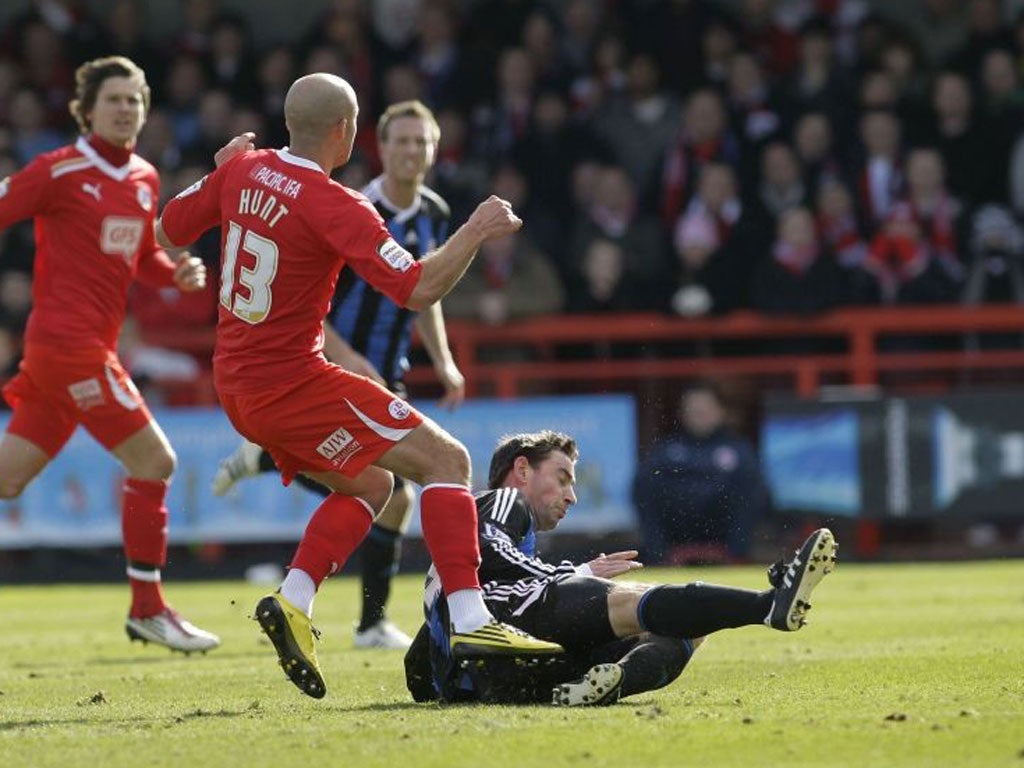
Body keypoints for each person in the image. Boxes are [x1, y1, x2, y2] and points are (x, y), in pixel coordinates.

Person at [155, 72, 562, 700]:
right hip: (294, 381)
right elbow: (419, 288)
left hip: (236, 382)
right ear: (346, 133)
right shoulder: (338, 204)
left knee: (374, 484)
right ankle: (474, 618)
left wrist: (216, 169)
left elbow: (167, 229)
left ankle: (293, 602)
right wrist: (477, 229)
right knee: (447, 460)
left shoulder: (242, 169)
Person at [210, 100, 465, 651]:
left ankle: (316, 601)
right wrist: (347, 361)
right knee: (411, 482)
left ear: (434, 149)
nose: (412, 151)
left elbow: (427, 295)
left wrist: (442, 359)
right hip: (335, 367)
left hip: (382, 367)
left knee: (387, 489)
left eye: (422, 142)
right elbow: (311, 301)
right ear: (375, 144)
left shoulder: (432, 213)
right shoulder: (351, 206)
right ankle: (414, 619)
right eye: (401, 140)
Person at [0, 56, 219, 653]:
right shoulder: (58, 169)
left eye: (135, 100)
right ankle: (148, 610)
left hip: (72, 355)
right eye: (114, 99)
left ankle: (149, 611)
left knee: (8, 480)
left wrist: (175, 273)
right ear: (87, 109)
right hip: (68, 349)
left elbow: (139, 254)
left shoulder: (145, 177)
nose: (126, 109)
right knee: (156, 462)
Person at [405, 430, 837, 706]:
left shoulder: (464, 571)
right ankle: (769, 605)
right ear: (521, 469)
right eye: (563, 477)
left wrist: (441, 683)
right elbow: (489, 548)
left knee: (687, 626)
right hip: (510, 633)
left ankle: (613, 683)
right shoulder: (498, 500)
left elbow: (417, 669)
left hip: (506, 682)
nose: (571, 495)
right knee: (641, 601)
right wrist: (571, 577)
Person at [633, 382, 768, 564]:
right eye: (693, 410)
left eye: (705, 409)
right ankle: (658, 557)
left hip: (723, 533)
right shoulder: (666, 451)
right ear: (682, 414)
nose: (699, 415)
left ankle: (737, 556)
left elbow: (756, 496)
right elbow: (643, 490)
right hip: (677, 533)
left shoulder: (739, 450)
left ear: (721, 411)